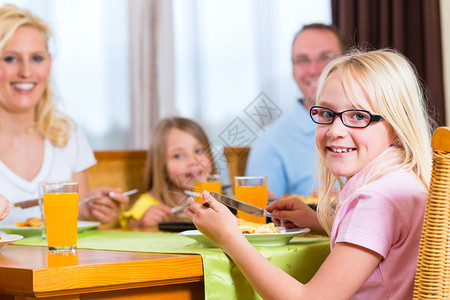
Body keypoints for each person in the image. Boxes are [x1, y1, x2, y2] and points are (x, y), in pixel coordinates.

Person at [186, 49, 433, 299]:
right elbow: (386, 243)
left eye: (358, 116)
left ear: (397, 130)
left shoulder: (376, 199)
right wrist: (318, 221)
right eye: (326, 114)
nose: (335, 130)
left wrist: (230, 238)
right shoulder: (402, 182)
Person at [0, 4, 129, 225]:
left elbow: (76, 215)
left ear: (49, 63)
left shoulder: (67, 133)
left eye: (37, 58)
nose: (26, 72)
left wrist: (90, 209)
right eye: (10, 58)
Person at [245, 23, 347, 198]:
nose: (314, 70)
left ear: (347, 63)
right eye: (303, 60)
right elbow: (257, 216)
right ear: (293, 71)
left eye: (325, 57)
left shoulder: (378, 126)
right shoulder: (270, 142)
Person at [119, 116, 217, 228]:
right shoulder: (148, 203)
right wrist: (140, 222)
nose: (193, 161)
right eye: (178, 155)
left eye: (198, 151)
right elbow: (127, 227)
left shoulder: (220, 200)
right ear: (162, 167)